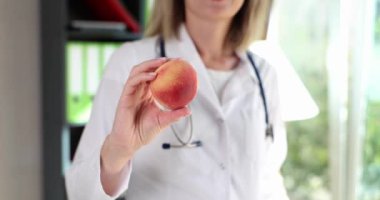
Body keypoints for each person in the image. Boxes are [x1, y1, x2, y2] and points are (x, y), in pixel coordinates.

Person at [65, 0, 289, 199]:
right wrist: (120, 149)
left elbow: (268, 180)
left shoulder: (263, 74)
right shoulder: (134, 61)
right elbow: (81, 193)